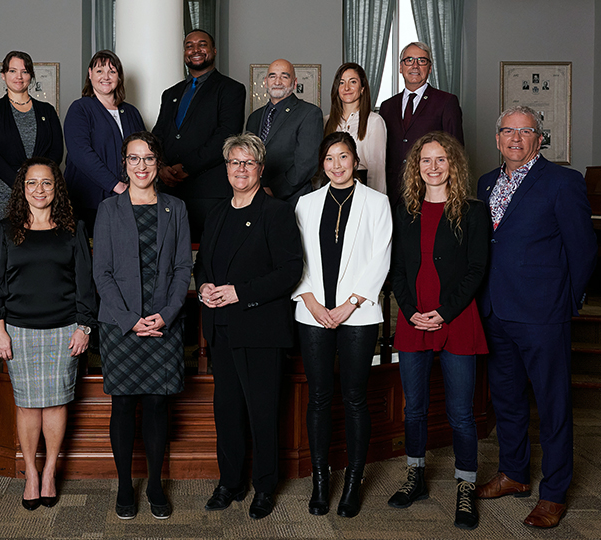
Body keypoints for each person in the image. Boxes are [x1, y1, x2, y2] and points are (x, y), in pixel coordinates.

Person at [475, 106, 596, 529]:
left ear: (539, 140)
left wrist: (567, 302)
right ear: (497, 139)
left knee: (553, 403)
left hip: (543, 313)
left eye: (525, 131)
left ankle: (555, 492)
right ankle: (513, 473)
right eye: (507, 131)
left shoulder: (563, 182)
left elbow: (582, 250)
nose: (514, 138)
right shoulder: (486, 182)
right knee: (506, 399)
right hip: (495, 310)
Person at [195, 132, 303, 520]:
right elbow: (203, 264)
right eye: (233, 163)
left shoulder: (276, 212)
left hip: (259, 327)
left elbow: (290, 270)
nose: (240, 170)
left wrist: (240, 292)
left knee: (262, 411)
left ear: (259, 168)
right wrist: (204, 284)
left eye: (248, 163)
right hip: (221, 327)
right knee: (226, 410)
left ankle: (265, 485)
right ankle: (231, 481)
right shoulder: (218, 212)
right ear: (226, 169)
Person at [388, 131, 489, 530]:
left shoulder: (473, 211)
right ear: (416, 167)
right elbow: (396, 270)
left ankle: (465, 486)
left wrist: (443, 312)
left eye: (441, 160)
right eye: (425, 160)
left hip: (458, 318)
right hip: (412, 320)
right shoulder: (405, 210)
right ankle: (415, 478)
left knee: (461, 413)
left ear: (453, 165)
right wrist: (412, 311)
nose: (433, 167)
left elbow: (477, 269)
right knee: (414, 409)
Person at [0, 157, 96, 513]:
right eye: (32, 183)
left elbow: (85, 283)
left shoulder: (72, 228)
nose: (39, 190)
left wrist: (84, 325)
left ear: (56, 188)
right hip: (18, 330)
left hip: (64, 329)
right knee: (28, 404)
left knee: (57, 402)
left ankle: (50, 472)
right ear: (22, 189)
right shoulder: (4, 230)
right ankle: (30, 472)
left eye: (46, 183)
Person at [92, 132, 192, 520]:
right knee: (123, 406)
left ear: (158, 163)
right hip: (122, 325)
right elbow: (102, 273)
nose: (142, 166)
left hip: (163, 321)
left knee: (156, 406)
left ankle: (154, 484)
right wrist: (130, 320)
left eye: (149, 158)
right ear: (124, 163)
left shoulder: (176, 208)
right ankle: (123, 485)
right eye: (134, 159)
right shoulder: (108, 209)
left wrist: (165, 314)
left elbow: (184, 267)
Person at [292, 131, 391, 518]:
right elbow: (295, 259)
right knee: (318, 398)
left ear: (356, 161)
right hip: (312, 312)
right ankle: (320, 482)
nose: (336, 164)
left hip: (359, 314)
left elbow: (380, 258)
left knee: (354, 398)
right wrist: (314, 302)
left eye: (344, 157)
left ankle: (353, 482)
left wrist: (349, 305)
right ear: (322, 163)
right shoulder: (306, 203)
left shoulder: (377, 203)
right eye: (330, 158)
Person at [152, 29, 246, 241]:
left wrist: (186, 167)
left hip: (208, 194)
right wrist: (160, 167)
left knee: (209, 259)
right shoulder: (170, 94)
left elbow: (226, 136)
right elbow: (158, 135)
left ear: (213, 50)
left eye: (201, 44)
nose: (195, 50)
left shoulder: (231, 89)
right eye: (189, 46)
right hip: (169, 190)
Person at [64, 50, 145, 235]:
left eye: (112, 71)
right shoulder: (80, 109)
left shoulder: (131, 112)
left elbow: (144, 152)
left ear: (119, 77)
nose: (106, 77)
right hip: (90, 202)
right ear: (90, 74)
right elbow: (80, 153)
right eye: (100, 71)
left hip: (127, 201)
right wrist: (116, 185)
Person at [0, 50, 63, 229]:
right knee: (1, 246)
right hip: (2, 193)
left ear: (31, 76)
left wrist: (36, 181)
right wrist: (20, 183)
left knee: (39, 245)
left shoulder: (47, 111)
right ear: (3, 75)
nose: (19, 76)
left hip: (41, 193)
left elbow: (56, 152)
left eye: (24, 71)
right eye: (12, 71)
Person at [379, 42, 463, 206]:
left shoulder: (446, 101)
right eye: (409, 60)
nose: (415, 65)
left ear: (430, 68)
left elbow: (456, 150)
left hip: (430, 190)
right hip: (393, 192)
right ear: (401, 67)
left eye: (422, 61)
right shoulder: (387, 106)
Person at [245, 58, 323, 205]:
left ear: (294, 83)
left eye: (284, 76)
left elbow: (306, 165)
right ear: (265, 82)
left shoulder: (309, 113)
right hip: (255, 198)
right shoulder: (254, 117)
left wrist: (273, 190)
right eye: (272, 76)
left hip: (291, 199)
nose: (277, 81)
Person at [323, 63, 387, 194]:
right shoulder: (326, 121)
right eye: (342, 83)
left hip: (362, 187)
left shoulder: (374, 121)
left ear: (362, 88)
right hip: (331, 187)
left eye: (353, 82)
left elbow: (377, 170)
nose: (346, 88)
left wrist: (376, 202)